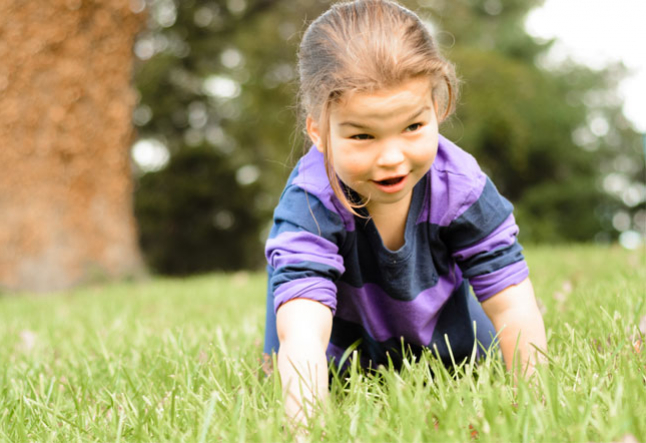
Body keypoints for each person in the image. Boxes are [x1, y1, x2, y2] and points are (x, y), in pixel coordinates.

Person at [263, 0, 547, 425]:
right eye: (363, 135)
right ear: (318, 132)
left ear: (438, 108)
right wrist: (306, 429)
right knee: (290, 316)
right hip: (343, 348)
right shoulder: (310, 200)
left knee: (485, 348)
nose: (392, 158)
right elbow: (303, 335)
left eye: (413, 127)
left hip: (445, 340)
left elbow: (511, 304)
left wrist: (537, 406)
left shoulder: (461, 188)